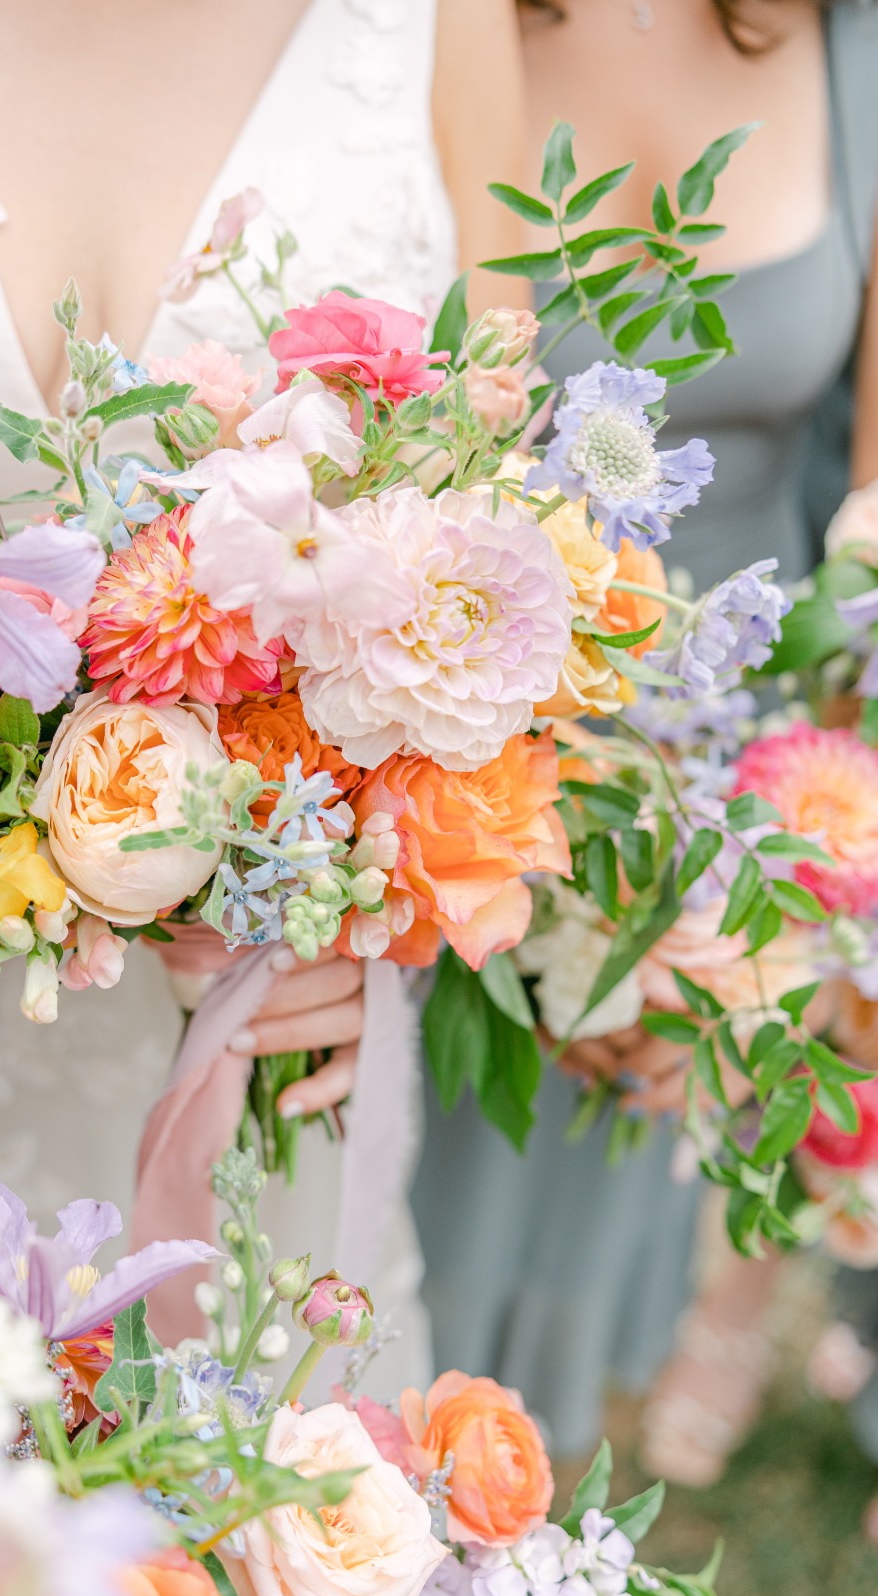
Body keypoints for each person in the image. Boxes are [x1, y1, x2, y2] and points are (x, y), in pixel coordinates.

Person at [0, 0, 526, 1412]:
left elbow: (494, 548)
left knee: (281, 1526)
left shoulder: (440, 20)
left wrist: (377, 875)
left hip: (273, 1002)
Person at [413, 0, 878, 1470]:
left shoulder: (849, 46)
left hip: (725, 745)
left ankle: (507, 1506)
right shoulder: (410, 26)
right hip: (434, 712)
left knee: (596, 1172)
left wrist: (814, 806)